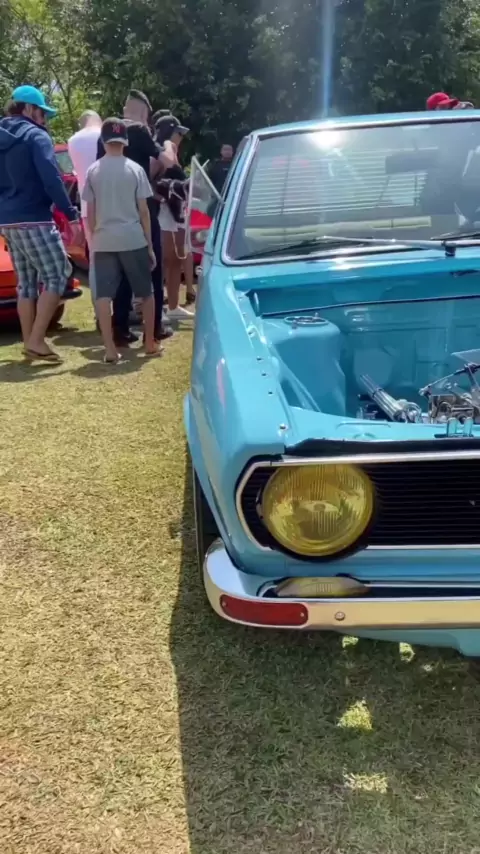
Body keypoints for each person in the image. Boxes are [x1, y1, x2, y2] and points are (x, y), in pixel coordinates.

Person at [0, 85, 81, 362]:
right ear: (28, 108)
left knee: (26, 283)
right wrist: (71, 214)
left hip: (7, 220)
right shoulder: (36, 136)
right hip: (34, 217)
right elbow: (52, 178)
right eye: (42, 112)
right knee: (59, 274)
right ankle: (36, 340)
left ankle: (29, 341)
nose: (45, 119)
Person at [97, 89, 173, 344]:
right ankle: (155, 327)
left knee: (121, 271)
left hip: (112, 211)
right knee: (153, 268)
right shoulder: (140, 131)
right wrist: (168, 144)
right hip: (141, 208)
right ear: (145, 111)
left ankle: (119, 328)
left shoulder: (105, 133)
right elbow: (167, 161)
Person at [83, 118, 161, 363]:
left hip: (104, 239)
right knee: (146, 293)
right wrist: (149, 244)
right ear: (125, 141)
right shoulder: (135, 169)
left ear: (104, 141)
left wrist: (95, 237)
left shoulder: (93, 171)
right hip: (133, 238)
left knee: (104, 296)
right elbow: (144, 211)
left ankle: (109, 349)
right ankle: (149, 342)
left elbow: (90, 212)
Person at [154, 114, 194, 320]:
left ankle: (173, 305)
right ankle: (158, 306)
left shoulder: (173, 153)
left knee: (176, 259)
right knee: (164, 259)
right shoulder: (160, 152)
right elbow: (149, 181)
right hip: (162, 213)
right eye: (178, 133)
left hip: (176, 212)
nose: (181, 137)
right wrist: (161, 198)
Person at [68, 109, 102, 305]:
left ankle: (99, 309)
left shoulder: (73, 141)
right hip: (113, 204)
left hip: (87, 206)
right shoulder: (106, 134)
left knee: (95, 261)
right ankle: (124, 307)